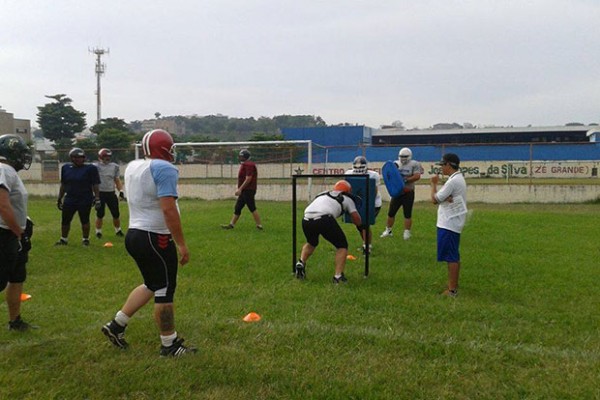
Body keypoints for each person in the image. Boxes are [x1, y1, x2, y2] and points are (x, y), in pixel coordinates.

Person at [102, 129, 196, 357]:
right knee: (164, 288)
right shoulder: (164, 168)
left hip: (135, 233)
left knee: (151, 284)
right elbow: (168, 209)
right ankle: (169, 345)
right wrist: (181, 243)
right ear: (163, 147)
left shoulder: (134, 166)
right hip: (156, 236)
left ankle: (117, 325)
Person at [295, 180, 362, 284]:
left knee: (311, 242)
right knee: (342, 246)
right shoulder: (347, 199)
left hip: (306, 218)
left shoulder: (322, 194)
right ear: (348, 191)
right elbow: (357, 220)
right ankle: (338, 277)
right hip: (324, 218)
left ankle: (301, 262)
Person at [0, 134, 35, 330]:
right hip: (5, 233)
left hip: (13, 233)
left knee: (17, 277)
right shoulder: (2, 169)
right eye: (20, 153)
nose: (23, 157)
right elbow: (3, 206)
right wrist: (18, 233)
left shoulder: (9, 171)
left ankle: (15, 321)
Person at [430, 153, 468, 297]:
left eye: (443, 165)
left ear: (449, 165)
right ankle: (453, 285)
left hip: (449, 223)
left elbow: (434, 199)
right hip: (452, 222)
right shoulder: (457, 179)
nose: (441, 169)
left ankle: (452, 290)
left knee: (451, 256)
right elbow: (446, 198)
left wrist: (433, 184)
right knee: (453, 255)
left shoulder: (452, 182)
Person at [55, 148, 101, 246]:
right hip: (70, 197)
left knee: (84, 219)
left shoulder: (90, 168)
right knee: (65, 219)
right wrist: (59, 198)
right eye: (77, 157)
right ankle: (64, 239)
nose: (79, 159)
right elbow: (63, 184)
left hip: (85, 197)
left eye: (81, 157)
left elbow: (95, 184)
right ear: (72, 158)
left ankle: (85, 239)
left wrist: (97, 199)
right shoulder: (66, 168)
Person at [381, 147, 423, 240]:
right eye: (401, 156)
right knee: (391, 212)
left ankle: (407, 232)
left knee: (407, 213)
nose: (403, 158)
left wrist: (405, 180)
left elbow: (417, 176)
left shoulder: (414, 164)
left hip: (408, 192)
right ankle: (388, 230)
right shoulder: (395, 164)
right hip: (397, 192)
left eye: (405, 156)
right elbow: (389, 175)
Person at [345, 156, 382, 254]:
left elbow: (373, 192)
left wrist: (367, 205)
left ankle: (367, 247)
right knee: (359, 225)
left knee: (364, 224)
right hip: (358, 202)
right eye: (356, 168)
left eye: (360, 167)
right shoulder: (348, 174)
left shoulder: (373, 175)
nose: (358, 170)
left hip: (373, 203)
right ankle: (366, 244)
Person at [221, 149, 263, 230]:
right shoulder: (245, 164)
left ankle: (259, 225)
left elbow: (248, 178)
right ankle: (231, 225)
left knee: (252, 207)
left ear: (245, 157)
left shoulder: (248, 165)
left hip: (248, 190)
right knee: (238, 207)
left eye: (241, 156)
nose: (239, 158)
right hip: (245, 190)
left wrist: (240, 189)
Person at [93, 148, 125, 239]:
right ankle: (98, 232)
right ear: (100, 157)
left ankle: (118, 230)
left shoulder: (114, 166)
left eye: (108, 157)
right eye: (105, 156)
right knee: (100, 214)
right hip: (100, 193)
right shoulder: (95, 166)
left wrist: (121, 191)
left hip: (111, 193)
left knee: (116, 214)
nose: (107, 158)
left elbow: (117, 180)